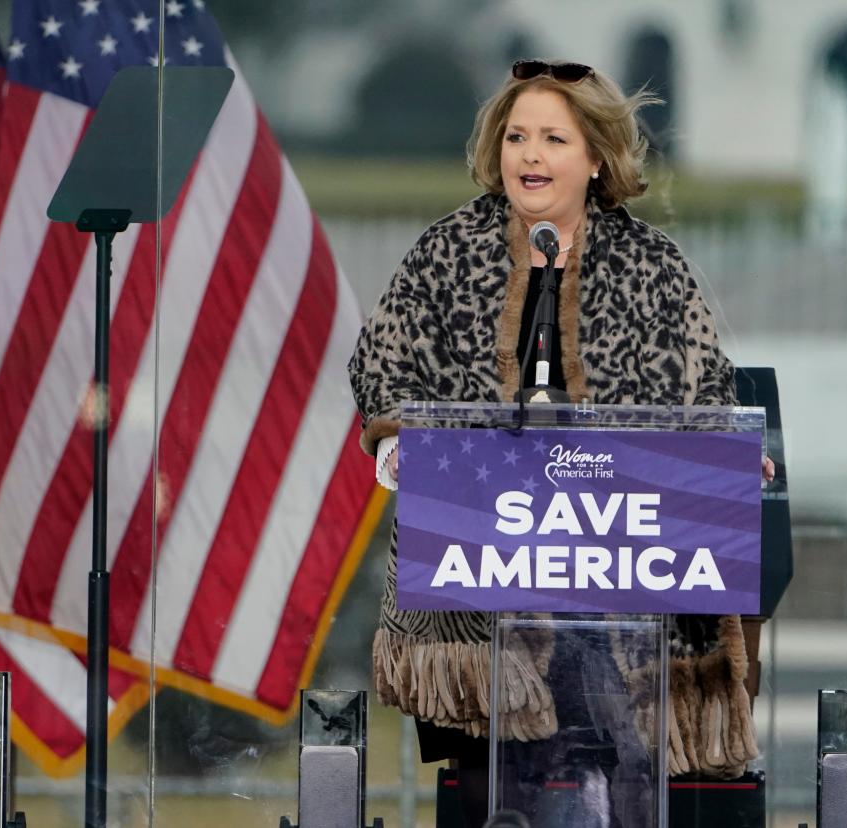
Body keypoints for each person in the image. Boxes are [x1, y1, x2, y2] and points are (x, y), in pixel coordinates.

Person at [347, 60, 766, 827]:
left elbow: (709, 389)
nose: (528, 155)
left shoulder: (653, 264)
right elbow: (381, 365)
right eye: (515, 137)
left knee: (617, 757)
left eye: (551, 138)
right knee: (496, 783)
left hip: (618, 572)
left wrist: (732, 453)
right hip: (483, 570)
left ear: (597, 157)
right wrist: (402, 437)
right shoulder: (447, 250)